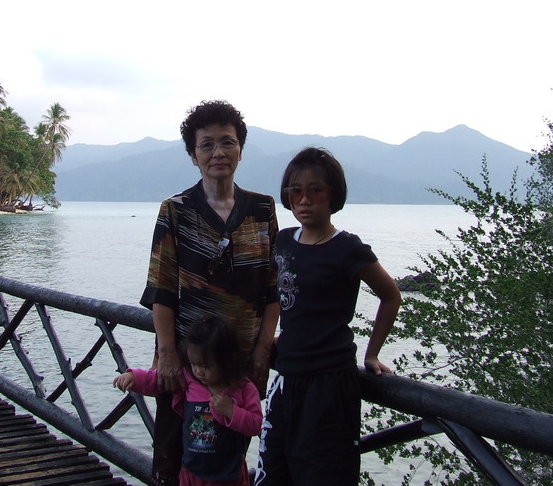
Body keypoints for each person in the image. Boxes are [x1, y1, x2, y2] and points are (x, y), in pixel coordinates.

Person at [140, 100, 279, 486]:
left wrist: (262, 351)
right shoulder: (176, 210)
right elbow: (161, 289)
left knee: (230, 462)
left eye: (227, 142)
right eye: (207, 145)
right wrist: (168, 355)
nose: (218, 152)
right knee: (175, 459)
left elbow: (272, 289)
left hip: (240, 368)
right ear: (193, 155)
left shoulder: (262, 209)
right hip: (188, 367)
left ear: (241, 150)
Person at [255, 147, 402, 486]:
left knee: (323, 474)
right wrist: (271, 340)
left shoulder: (347, 248)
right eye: (296, 191)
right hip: (286, 377)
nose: (304, 200)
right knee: (273, 471)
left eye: (315, 190)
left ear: (333, 194)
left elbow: (391, 296)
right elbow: (279, 298)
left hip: (329, 383)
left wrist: (372, 353)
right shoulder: (284, 241)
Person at [114, 315, 263, 486]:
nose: (198, 371)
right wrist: (133, 377)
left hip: (229, 475)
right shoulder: (190, 379)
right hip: (192, 472)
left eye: (205, 366)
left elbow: (256, 425)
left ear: (227, 360)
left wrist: (232, 412)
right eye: (194, 364)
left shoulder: (243, 388)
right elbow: (156, 379)